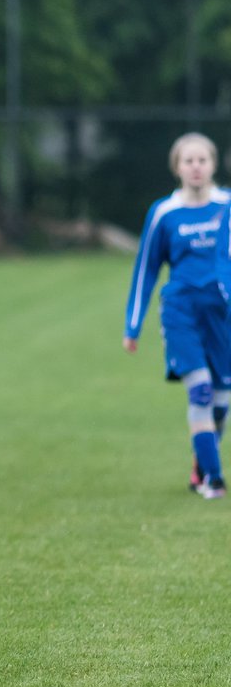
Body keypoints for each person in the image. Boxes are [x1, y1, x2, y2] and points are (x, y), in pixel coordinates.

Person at [123, 132, 231, 499]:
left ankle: (200, 466)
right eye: (189, 160)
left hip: (223, 316)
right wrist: (132, 325)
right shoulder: (164, 213)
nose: (196, 167)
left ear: (213, 164)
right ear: (177, 167)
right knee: (199, 391)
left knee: (220, 402)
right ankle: (214, 480)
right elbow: (146, 270)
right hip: (181, 312)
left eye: (203, 160)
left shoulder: (227, 206)